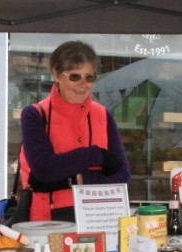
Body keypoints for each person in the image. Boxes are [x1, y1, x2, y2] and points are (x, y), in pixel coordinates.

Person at [18, 40, 131, 222]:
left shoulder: (102, 115)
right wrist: (97, 155)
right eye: (75, 77)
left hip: (97, 220)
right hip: (48, 223)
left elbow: (123, 175)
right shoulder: (35, 114)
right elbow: (44, 170)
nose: (83, 84)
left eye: (90, 77)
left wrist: (75, 179)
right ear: (56, 74)